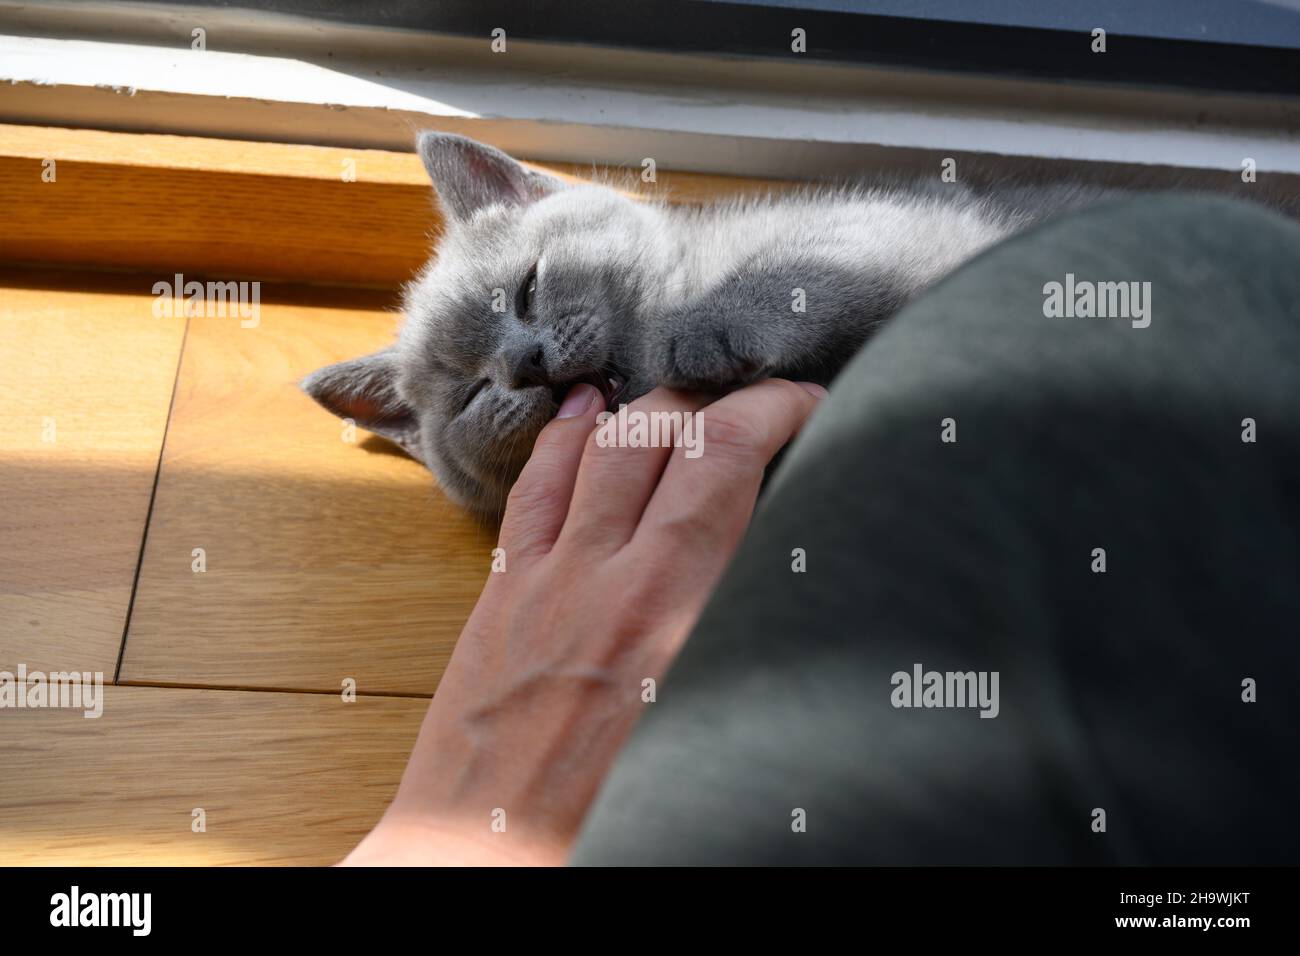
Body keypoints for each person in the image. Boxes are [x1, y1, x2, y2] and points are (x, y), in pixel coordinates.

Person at [344, 194, 1300, 866]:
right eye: (469, 397)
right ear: (417, 442)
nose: (520, 362)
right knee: (1210, 261)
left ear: (532, 195)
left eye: (526, 293)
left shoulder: (734, 263)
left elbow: (909, 244)